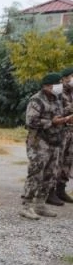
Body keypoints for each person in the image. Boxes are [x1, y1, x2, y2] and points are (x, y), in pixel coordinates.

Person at [19, 72, 72, 219]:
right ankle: (26, 206)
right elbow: (31, 121)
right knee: (36, 174)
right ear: (48, 86)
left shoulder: (57, 98)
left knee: (50, 174)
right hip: (38, 143)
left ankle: (40, 205)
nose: (61, 86)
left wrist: (66, 119)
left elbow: (63, 113)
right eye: (58, 83)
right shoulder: (36, 100)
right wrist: (53, 122)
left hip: (54, 141)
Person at [56, 67, 73, 203]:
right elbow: (59, 111)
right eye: (71, 77)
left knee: (68, 160)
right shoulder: (58, 92)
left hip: (71, 130)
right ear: (64, 78)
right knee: (57, 160)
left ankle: (61, 189)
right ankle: (50, 191)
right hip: (61, 130)